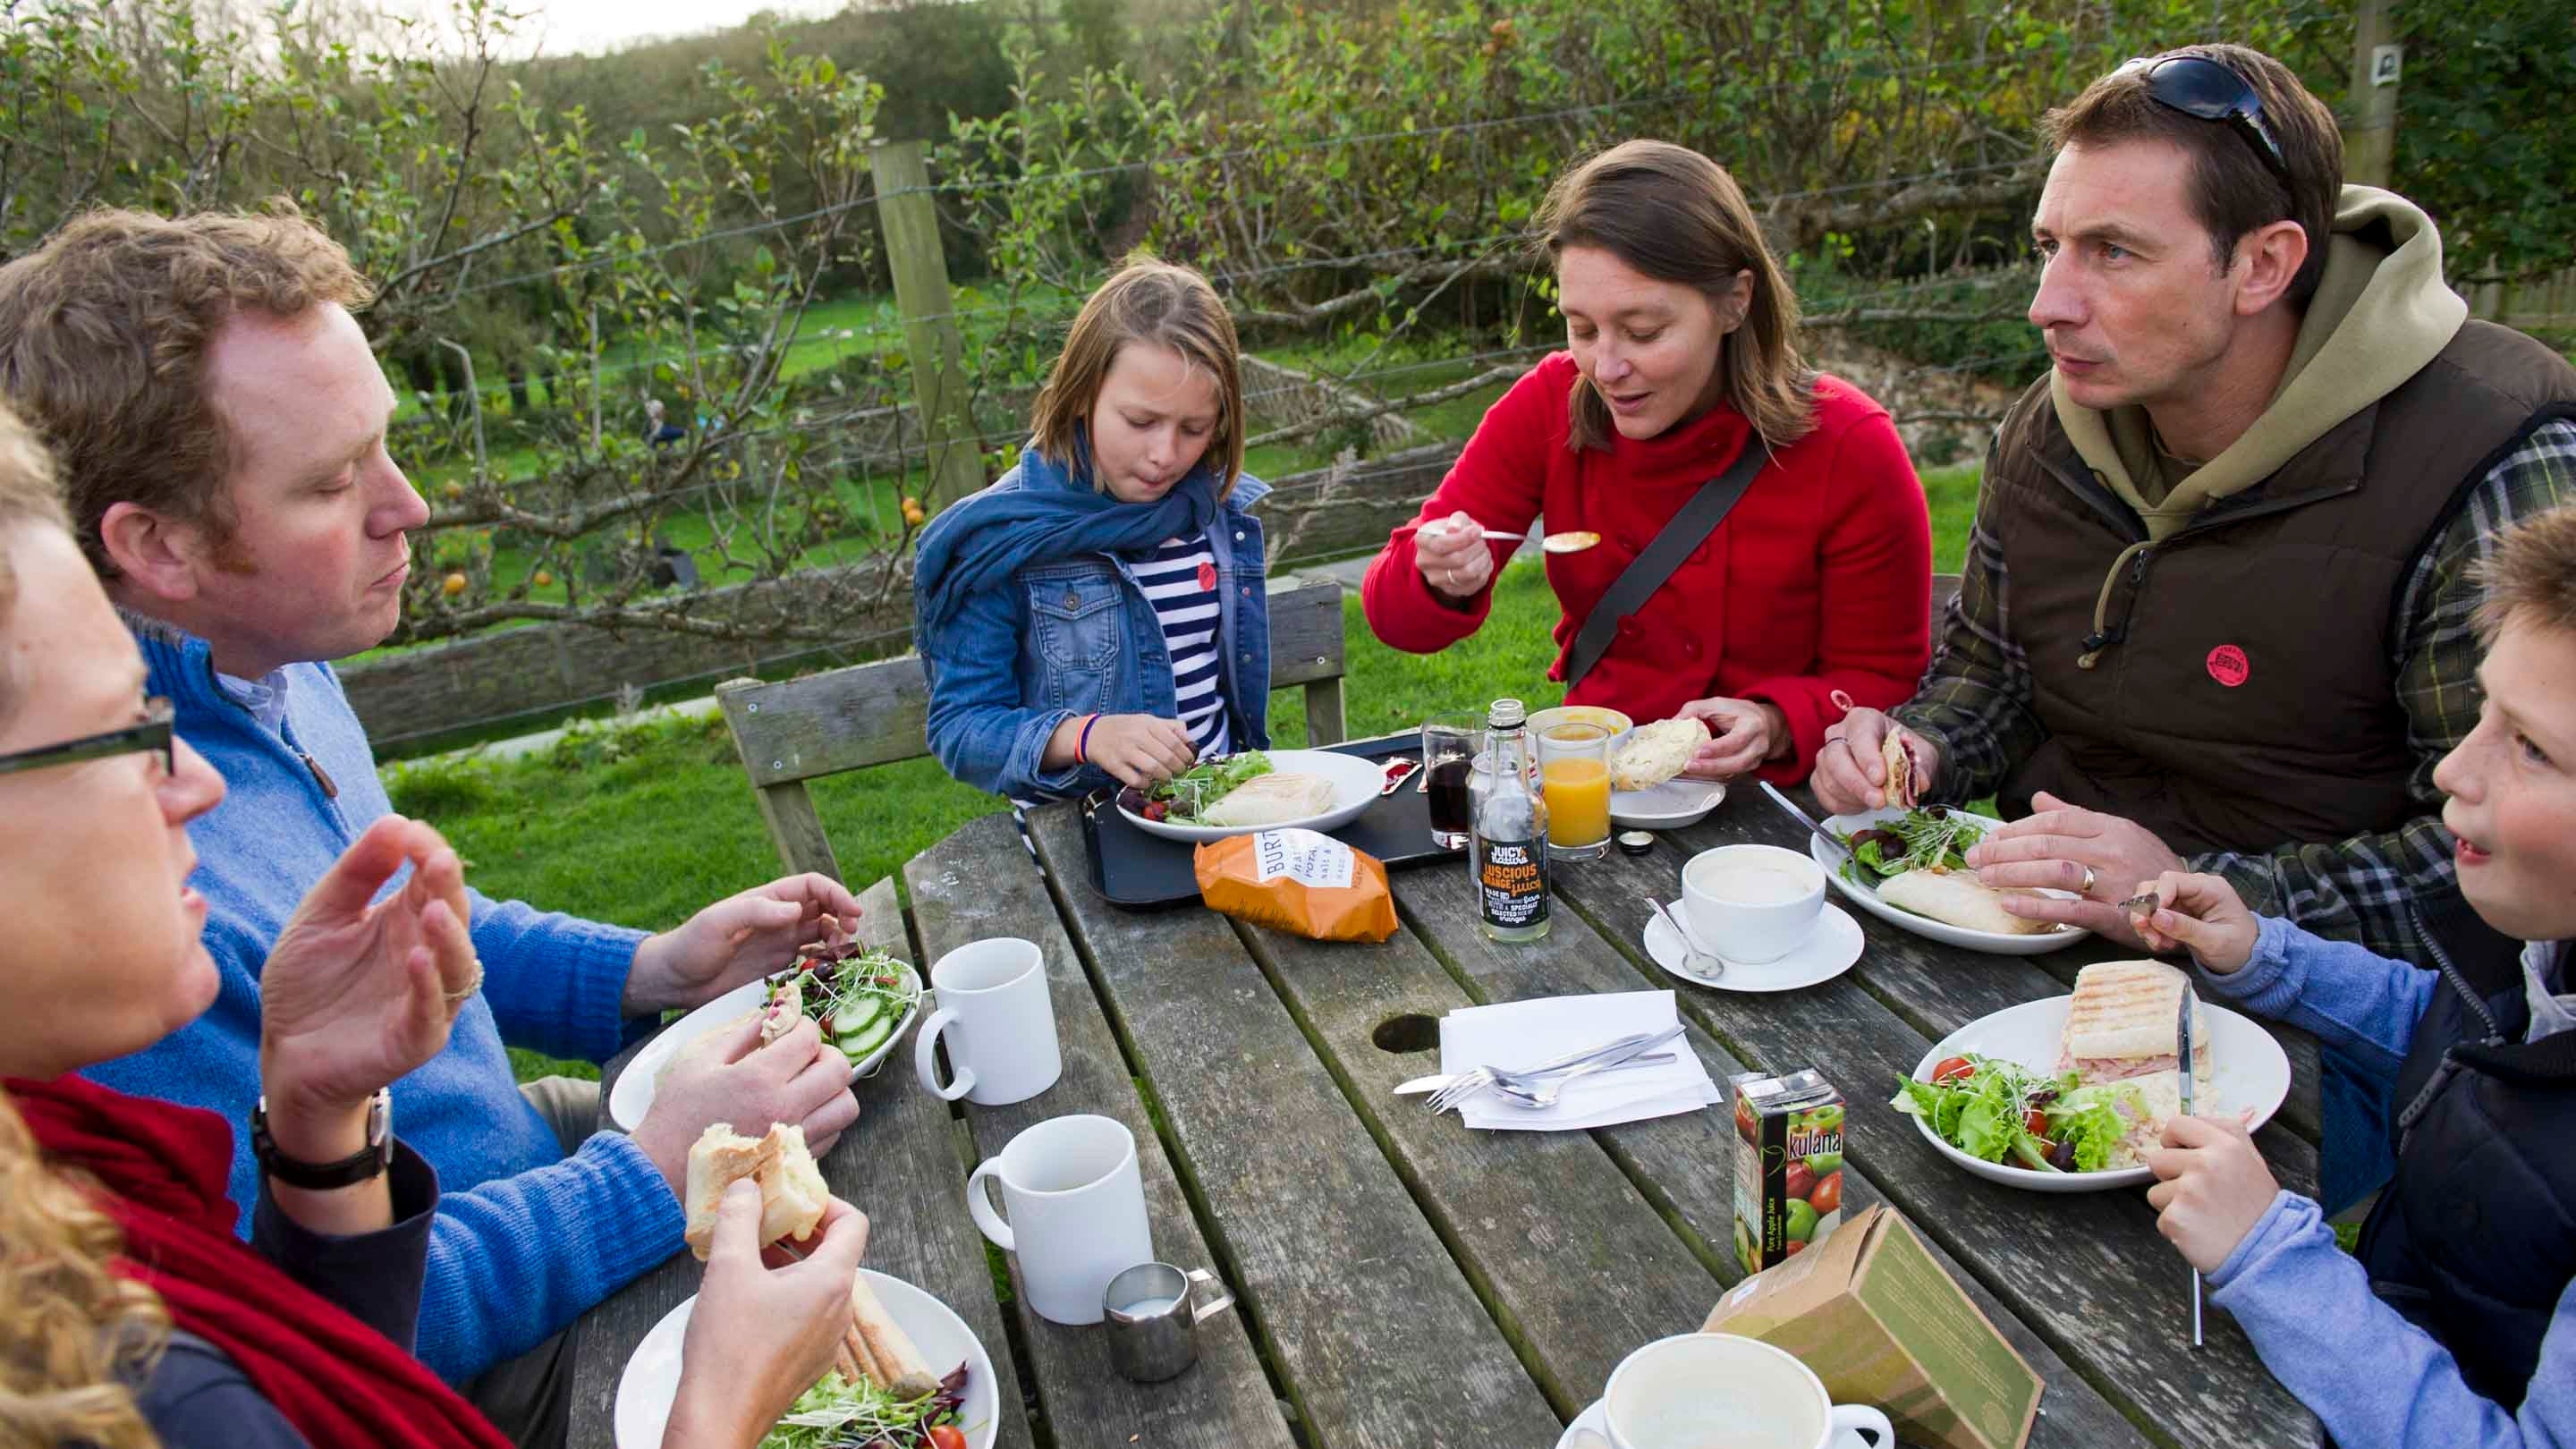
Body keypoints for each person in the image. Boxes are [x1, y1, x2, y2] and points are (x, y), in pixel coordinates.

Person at [0, 203, 867, 1445]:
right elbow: (330, 1341)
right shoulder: (98, 929)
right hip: (486, 1349)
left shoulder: (275, 667)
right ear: (162, 546)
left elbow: (409, 937)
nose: (410, 507)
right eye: (332, 481)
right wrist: (644, 1181)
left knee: (864, 1089)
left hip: (511, 1158)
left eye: (385, 449)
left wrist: (647, 968)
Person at [1809, 45, 2576, 1210]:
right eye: (2050, 246)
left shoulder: (2489, 458)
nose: (2048, 303)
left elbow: (2489, 851)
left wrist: (2199, 889)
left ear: (2263, 265)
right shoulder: (2053, 427)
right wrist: (1918, 750)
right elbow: (1988, 672)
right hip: (2024, 944)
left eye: (2114, 252)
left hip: (2325, 1029)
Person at [2125, 504, 2576, 1446]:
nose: (2455, 767)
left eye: (2531, 747)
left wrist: (2268, 1258)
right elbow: (2464, 1031)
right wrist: (2266, 956)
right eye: (2483, 712)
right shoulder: (2547, 949)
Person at [1360, 140, 1932, 784]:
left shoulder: (1848, 444)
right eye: (1581, 329)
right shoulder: (1549, 405)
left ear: (1735, 301)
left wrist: (1775, 721)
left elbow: (1886, 679)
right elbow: (1391, 615)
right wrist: (1435, 573)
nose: (1606, 368)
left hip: (1781, 811)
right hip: (1601, 793)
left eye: (1643, 332)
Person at [915, 257, 1270, 799]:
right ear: (1083, 394)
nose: (1165, 456)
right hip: (1083, 845)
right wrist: (1086, 736)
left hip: (1227, 818)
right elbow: (962, 728)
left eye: (1194, 429)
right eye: (1140, 422)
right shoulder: (1003, 537)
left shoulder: (1216, 512)